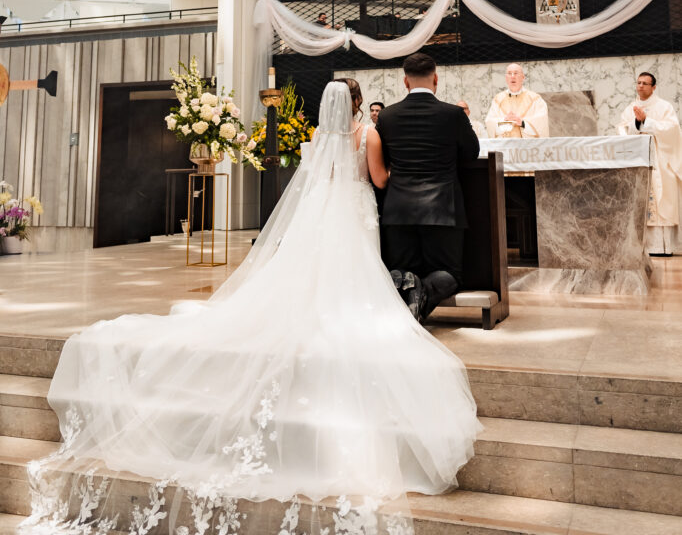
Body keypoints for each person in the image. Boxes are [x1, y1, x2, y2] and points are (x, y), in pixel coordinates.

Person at [25, 80, 479, 535]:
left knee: (314, 266)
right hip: (356, 208)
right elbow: (378, 179)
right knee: (353, 266)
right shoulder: (368, 134)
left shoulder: (318, 136)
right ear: (357, 104)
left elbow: (313, 179)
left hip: (322, 208)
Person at [375, 52, 480, 322]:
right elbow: (471, 153)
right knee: (450, 274)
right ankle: (421, 295)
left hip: (398, 210)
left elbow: (382, 159)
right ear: (436, 79)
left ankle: (408, 302)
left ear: (405, 82)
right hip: (442, 209)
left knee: (400, 271)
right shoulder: (453, 114)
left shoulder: (387, 116)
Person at [618, 72, 682, 256]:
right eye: (638, 82)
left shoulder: (664, 107)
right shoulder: (630, 108)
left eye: (645, 83)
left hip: (661, 161)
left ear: (653, 87)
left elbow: (672, 129)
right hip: (640, 161)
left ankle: (664, 247)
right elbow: (622, 130)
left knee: (663, 202)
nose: (640, 86)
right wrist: (636, 124)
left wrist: (646, 121)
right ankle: (645, 248)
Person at [485, 63, 549, 138]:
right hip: (505, 143)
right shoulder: (498, 99)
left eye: (516, 73)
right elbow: (489, 122)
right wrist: (504, 120)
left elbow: (542, 121)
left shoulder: (535, 99)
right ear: (506, 78)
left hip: (526, 144)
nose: (512, 76)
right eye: (509, 73)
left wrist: (522, 122)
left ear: (523, 77)